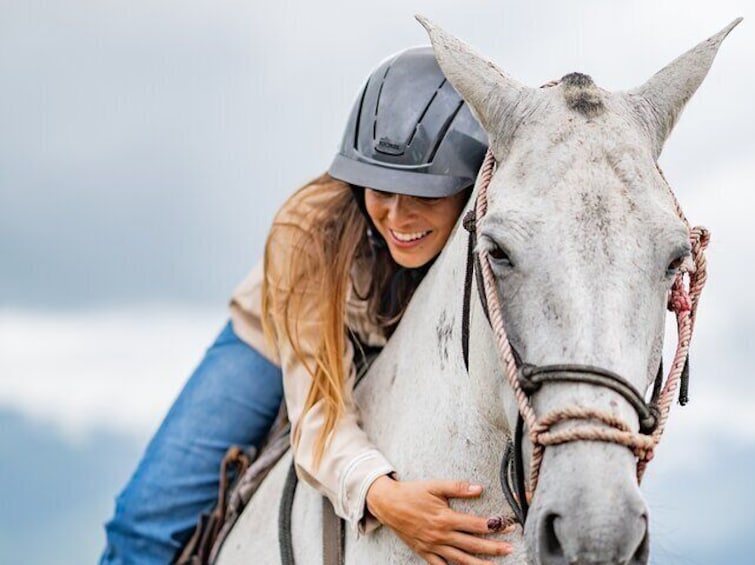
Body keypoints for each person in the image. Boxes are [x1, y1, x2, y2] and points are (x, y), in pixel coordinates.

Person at [101, 46, 513, 565]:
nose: (397, 215)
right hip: (277, 342)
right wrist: (385, 499)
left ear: (470, 189)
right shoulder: (308, 234)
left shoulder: (488, 242)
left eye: (425, 193)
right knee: (142, 529)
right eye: (380, 189)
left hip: (381, 345)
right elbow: (318, 409)